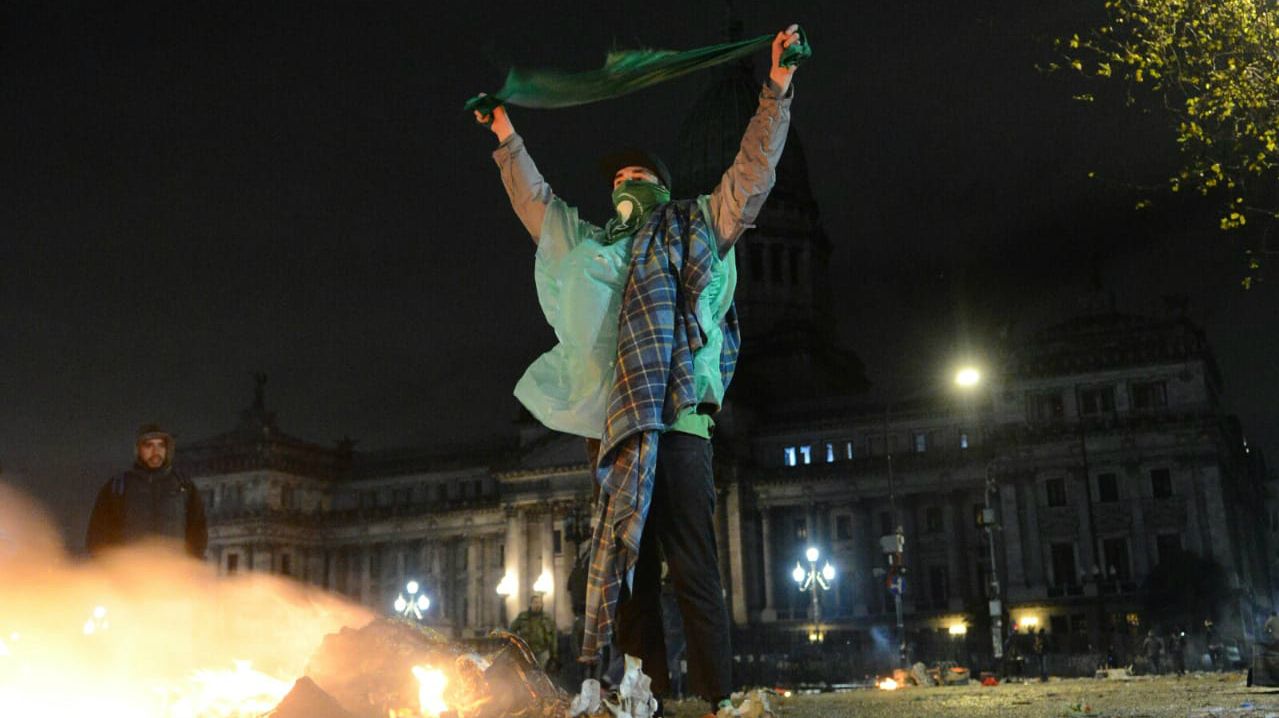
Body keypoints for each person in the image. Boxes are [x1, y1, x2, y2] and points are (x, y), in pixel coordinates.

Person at [476, 25, 803, 718]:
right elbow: (537, 203)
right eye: (616, 179)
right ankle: (644, 698)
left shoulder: (696, 225)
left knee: (692, 566)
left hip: (680, 419)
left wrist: (774, 90)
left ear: (661, 184)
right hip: (614, 423)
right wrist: (506, 135)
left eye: (635, 176)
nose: (622, 183)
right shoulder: (590, 247)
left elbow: (750, 177)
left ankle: (716, 698)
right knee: (627, 575)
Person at [86, 423, 207, 559]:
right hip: (129, 571)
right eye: (149, 445)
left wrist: (192, 563)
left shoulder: (184, 486)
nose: (156, 452)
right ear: (138, 449)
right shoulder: (118, 486)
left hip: (172, 572)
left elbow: (198, 530)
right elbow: (97, 533)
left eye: (161, 445)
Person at [510, 594, 559, 670]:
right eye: (535, 602)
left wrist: (554, 654)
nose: (538, 605)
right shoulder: (523, 617)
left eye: (539, 603)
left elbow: (554, 636)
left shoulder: (547, 618)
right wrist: (517, 645)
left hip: (542, 651)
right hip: (527, 650)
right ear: (531, 604)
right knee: (527, 672)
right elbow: (512, 630)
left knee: (540, 673)